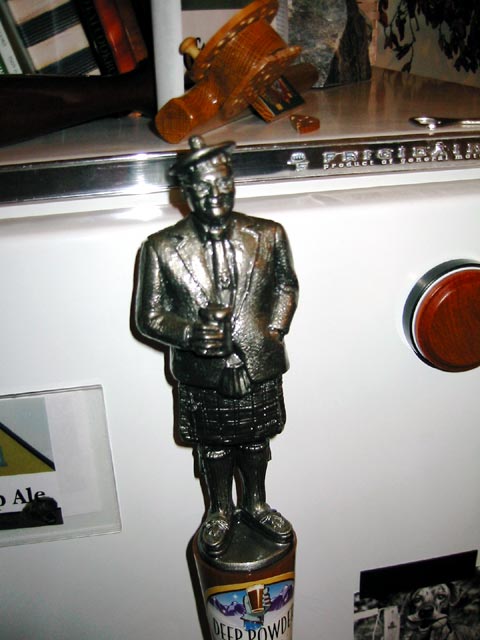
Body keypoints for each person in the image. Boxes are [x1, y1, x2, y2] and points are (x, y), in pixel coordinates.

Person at [135, 135, 298, 557]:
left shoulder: (268, 233)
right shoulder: (161, 248)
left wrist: (273, 331)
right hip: (203, 372)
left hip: (258, 363)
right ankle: (220, 510)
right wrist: (190, 335)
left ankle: (257, 503)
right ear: (185, 193)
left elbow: (286, 286)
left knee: (257, 440)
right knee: (214, 445)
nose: (216, 194)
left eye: (223, 182)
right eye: (204, 186)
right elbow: (148, 316)